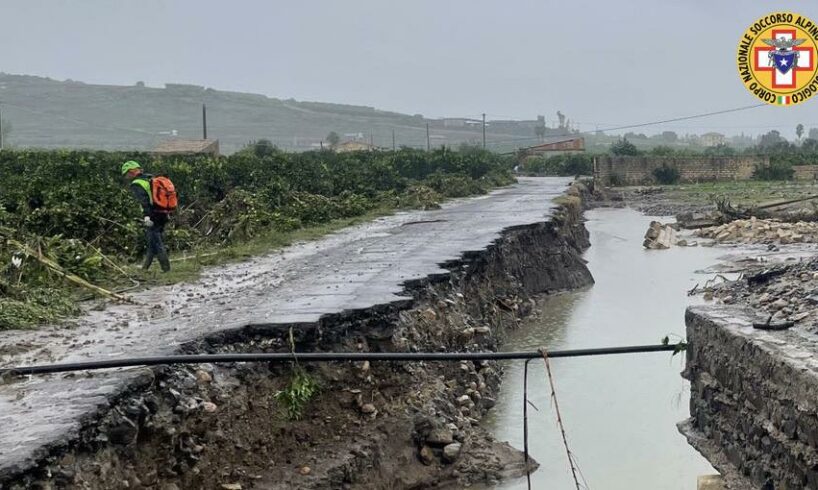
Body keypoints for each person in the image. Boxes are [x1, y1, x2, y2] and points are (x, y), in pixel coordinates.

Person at [121, 161, 171, 272]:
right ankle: (145, 268)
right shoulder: (150, 178)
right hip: (163, 212)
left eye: (127, 174)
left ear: (132, 171)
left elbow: (144, 201)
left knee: (156, 242)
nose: (127, 177)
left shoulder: (137, 183)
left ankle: (166, 269)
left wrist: (147, 216)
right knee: (152, 241)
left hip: (153, 214)